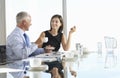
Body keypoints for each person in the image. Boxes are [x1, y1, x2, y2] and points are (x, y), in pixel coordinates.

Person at [6, 11, 45, 78]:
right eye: (29, 21)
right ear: (24, 22)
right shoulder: (15, 36)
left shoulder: (24, 35)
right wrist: (36, 43)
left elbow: (29, 51)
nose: (31, 23)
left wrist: (44, 50)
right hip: (16, 69)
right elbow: (22, 55)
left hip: (23, 67)